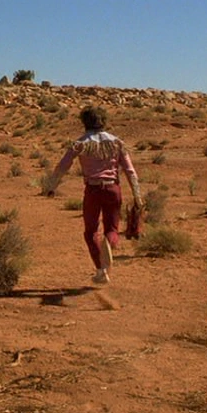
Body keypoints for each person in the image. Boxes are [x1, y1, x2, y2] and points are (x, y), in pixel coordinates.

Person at [46, 105, 142, 284]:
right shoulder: (117, 142)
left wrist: (51, 186)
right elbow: (130, 171)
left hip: (92, 190)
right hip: (113, 189)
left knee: (90, 232)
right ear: (103, 121)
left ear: (84, 121)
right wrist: (137, 196)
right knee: (112, 230)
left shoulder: (80, 143)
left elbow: (63, 166)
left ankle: (101, 270)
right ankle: (110, 245)